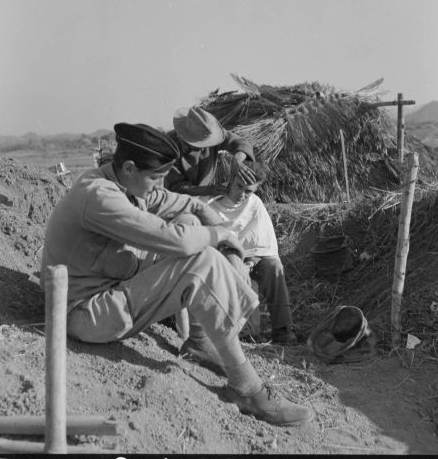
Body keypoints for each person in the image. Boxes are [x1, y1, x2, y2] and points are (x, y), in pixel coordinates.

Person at [41, 122, 309, 426]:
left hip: (109, 290)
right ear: (129, 168)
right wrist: (220, 234)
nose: (159, 185)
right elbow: (174, 240)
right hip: (85, 314)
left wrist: (203, 213)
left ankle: (200, 340)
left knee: (190, 222)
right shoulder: (99, 197)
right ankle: (247, 388)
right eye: (155, 178)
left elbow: (174, 202)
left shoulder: (122, 182)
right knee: (198, 259)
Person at [202, 161, 298, 345]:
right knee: (235, 266)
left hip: (249, 259)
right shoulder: (209, 202)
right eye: (239, 187)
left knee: (274, 267)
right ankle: (245, 331)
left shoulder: (254, 205)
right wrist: (236, 262)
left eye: (249, 191)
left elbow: (262, 244)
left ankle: (283, 329)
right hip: (219, 259)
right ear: (230, 181)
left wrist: (250, 263)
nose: (242, 195)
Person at [165, 106, 258, 197]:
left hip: (205, 196)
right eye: (198, 145)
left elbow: (239, 142)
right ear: (184, 137)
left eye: (206, 144)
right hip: (179, 200)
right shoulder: (167, 147)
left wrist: (237, 160)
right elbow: (176, 187)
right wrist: (209, 190)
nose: (203, 148)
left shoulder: (210, 134)